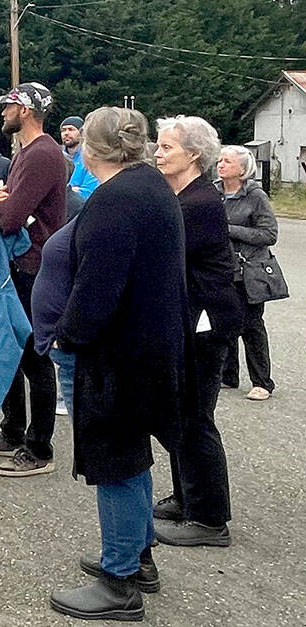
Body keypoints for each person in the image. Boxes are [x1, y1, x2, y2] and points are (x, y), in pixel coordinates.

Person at [47, 107, 186, 622]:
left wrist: (67, 337)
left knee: (115, 463)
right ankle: (137, 555)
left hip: (118, 356)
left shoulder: (115, 200)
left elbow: (97, 289)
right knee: (132, 456)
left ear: (90, 148)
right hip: (149, 347)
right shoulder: (151, 185)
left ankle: (121, 580)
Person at [151, 116, 241, 548]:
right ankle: (186, 496)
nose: (158, 151)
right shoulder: (182, 196)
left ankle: (209, 519)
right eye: (159, 145)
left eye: (167, 146)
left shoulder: (198, 202)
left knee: (196, 419)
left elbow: (166, 257)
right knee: (180, 414)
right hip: (186, 321)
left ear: (194, 155)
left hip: (205, 324)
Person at [0, 82, 65, 478]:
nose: (2, 113)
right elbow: (6, 208)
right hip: (19, 265)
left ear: (24, 109)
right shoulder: (27, 153)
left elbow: (9, 218)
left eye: (7, 105)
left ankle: (39, 447)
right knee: (8, 348)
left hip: (31, 267)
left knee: (34, 359)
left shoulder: (42, 153)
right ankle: (11, 431)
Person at [216, 145, 279, 401]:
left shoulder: (255, 196)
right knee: (224, 322)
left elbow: (269, 234)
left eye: (227, 162)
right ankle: (228, 375)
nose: (220, 165)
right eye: (219, 160)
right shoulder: (214, 191)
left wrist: (230, 229)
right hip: (222, 268)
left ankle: (262, 381)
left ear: (242, 169)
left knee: (252, 326)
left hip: (250, 270)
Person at [61, 115, 100, 199]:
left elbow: (89, 191)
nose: (66, 133)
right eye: (63, 130)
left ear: (82, 133)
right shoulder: (58, 157)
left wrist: (68, 191)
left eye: (71, 129)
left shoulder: (90, 158)